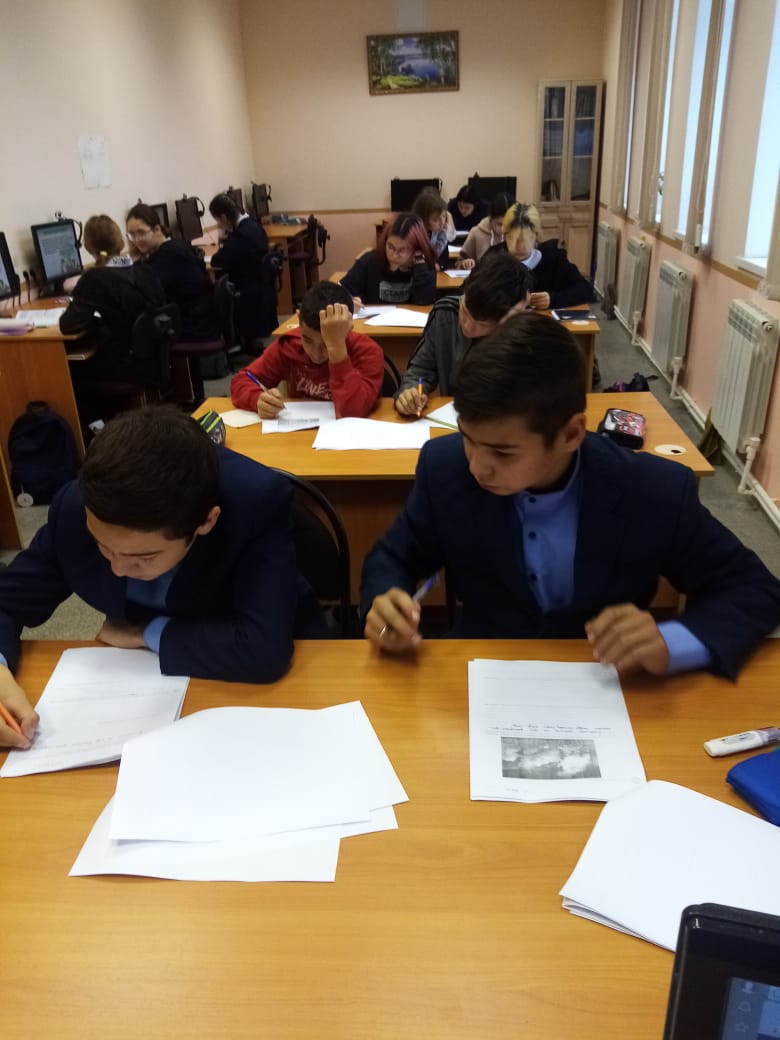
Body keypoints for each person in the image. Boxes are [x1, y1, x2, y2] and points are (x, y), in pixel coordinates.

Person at [361, 313, 780, 679]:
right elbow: (392, 558)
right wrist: (384, 603)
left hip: (610, 681)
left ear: (571, 433)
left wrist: (672, 643)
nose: (477, 467)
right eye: (468, 438)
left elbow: (754, 590)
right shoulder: (445, 467)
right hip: (482, 673)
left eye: (503, 453)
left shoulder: (653, 490)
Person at [0, 406, 325, 749]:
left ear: (206, 522)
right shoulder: (74, 509)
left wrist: (146, 633)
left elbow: (263, 649)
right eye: (103, 546)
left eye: (143, 557)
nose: (118, 569)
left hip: (265, 694)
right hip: (143, 690)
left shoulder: (254, 504)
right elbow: (6, 601)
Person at [393, 251, 531, 415]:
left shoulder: (520, 334)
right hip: (453, 418)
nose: (468, 326)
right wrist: (411, 390)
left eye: (482, 325)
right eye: (465, 311)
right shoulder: (445, 313)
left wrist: (509, 331)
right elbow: (421, 370)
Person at [230, 281, 384, 418]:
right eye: (307, 340)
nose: (316, 355)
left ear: (347, 328)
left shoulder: (367, 351)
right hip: (300, 434)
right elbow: (241, 380)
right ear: (299, 320)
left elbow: (352, 414)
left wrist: (336, 349)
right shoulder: (290, 345)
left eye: (325, 345)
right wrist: (256, 399)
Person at [59, 215, 165, 397]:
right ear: (121, 242)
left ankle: (98, 416)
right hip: (155, 357)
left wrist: (94, 322)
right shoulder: (143, 269)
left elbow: (68, 326)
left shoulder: (94, 278)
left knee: (69, 368)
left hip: (129, 363)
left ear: (87, 247)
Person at [126, 203, 221, 342]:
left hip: (196, 327)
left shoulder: (169, 256)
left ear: (157, 230)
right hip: (203, 320)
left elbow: (145, 291)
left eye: (141, 233)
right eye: (131, 234)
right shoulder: (175, 246)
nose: (136, 240)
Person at [485, 202, 594, 310]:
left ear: (536, 235)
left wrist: (553, 299)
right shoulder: (493, 259)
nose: (519, 246)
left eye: (525, 240)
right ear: (505, 235)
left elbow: (585, 291)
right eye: (512, 239)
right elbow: (478, 295)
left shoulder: (553, 258)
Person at [208, 193, 277, 349]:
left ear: (224, 217)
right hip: (260, 290)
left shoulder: (241, 235)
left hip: (247, 294)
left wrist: (226, 238)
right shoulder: (254, 226)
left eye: (218, 221)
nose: (219, 225)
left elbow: (217, 260)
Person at [340, 213, 436, 307]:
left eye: (402, 250)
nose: (394, 255)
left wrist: (420, 266)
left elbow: (424, 302)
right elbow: (342, 291)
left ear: (416, 249)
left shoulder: (424, 265)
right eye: (390, 247)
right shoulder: (369, 261)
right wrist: (350, 300)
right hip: (373, 316)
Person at [457, 192, 514, 269]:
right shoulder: (476, 232)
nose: (503, 229)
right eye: (499, 224)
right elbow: (459, 262)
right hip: (483, 276)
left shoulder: (517, 235)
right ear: (490, 218)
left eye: (508, 224)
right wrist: (465, 263)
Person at [412, 189, 456, 269]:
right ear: (423, 219)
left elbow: (444, 258)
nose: (442, 222)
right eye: (436, 219)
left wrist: (440, 265)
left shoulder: (439, 231)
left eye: (444, 216)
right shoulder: (413, 234)